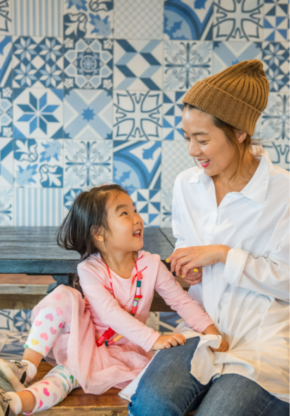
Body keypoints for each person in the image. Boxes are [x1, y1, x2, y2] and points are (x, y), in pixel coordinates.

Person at [128, 60, 290, 415]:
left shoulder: (283, 192)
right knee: (151, 404)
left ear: (240, 132)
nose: (192, 151)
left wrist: (221, 254)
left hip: (263, 341)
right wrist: (190, 269)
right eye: (187, 138)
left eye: (202, 139)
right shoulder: (187, 185)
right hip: (202, 330)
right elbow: (189, 248)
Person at [0, 185, 228, 415]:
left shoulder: (151, 265)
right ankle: (26, 367)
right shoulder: (90, 269)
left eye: (135, 210)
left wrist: (211, 331)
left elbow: (182, 301)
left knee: (66, 377)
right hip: (82, 338)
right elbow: (110, 313)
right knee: (62, 294)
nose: (137, 218)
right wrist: (154, 339)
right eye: (124, 213)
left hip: (119, 353)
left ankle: (14, 403)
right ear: (99, 233)